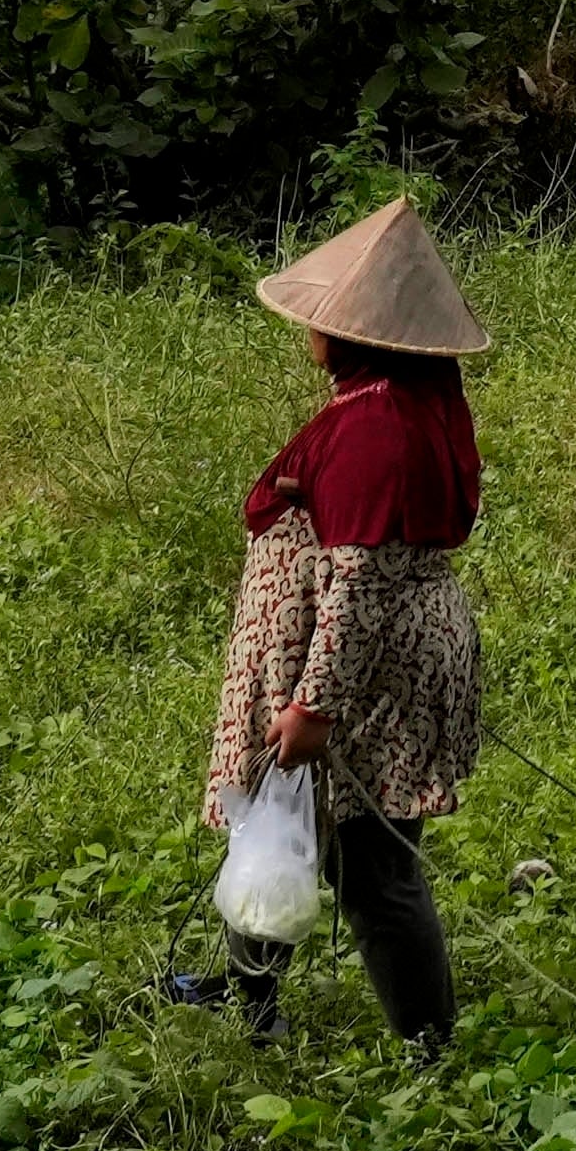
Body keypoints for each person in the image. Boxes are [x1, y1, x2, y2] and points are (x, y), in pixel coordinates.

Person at [180, 196, 489, 1053]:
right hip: (395, 647)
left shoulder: (371, 429)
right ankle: (248, 983)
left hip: (360, 665)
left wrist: (314, 704)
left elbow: (352, 585)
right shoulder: (416, 400)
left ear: (356, 336)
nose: (307, 332)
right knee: (283, 818)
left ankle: (428, 1044)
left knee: (373, 866)